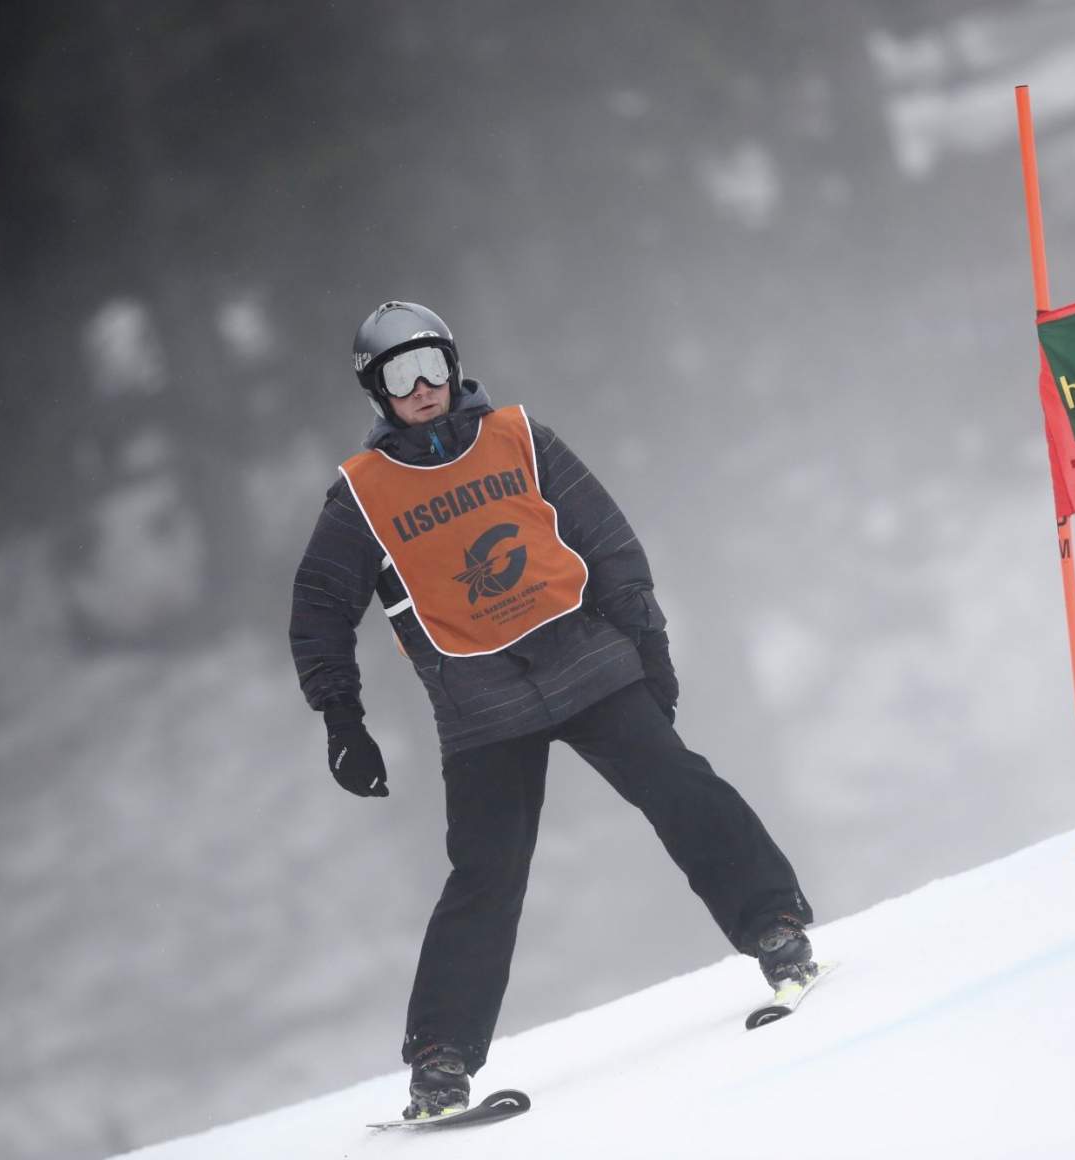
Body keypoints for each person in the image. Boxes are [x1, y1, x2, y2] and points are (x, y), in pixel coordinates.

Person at [289, 301, 816, 1120]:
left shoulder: (521, 437)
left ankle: (776, 928)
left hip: (589, 663)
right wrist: (341, 720)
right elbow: (319, 608)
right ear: (375, 391)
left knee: (679, 787)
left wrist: (649, 644)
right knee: (485, 877)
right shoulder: (361, 497)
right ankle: (441, 1062)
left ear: (456, 365)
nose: (424, 386)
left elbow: (608, 542)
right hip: (480, 709)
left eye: (434, 365)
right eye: (400, 374)